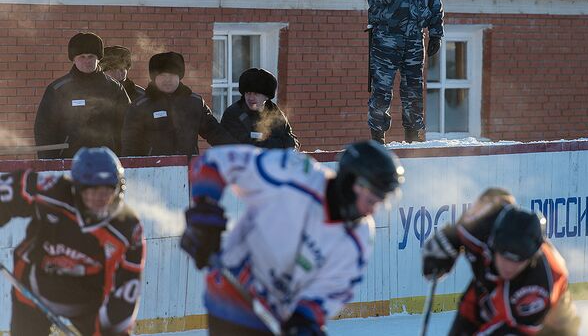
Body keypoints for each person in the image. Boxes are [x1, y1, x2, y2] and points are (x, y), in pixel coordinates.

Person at [180, 140, 404, 335]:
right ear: (352, 183)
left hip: (277, 319)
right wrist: (204, 218)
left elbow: (331, 290)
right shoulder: (293, 174)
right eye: (372, 200)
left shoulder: (359, 237)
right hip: (230, 299)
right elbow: (214, 162)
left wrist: (304, 321)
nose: (372, 211)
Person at [0, 147, 145, 336]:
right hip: (35, 286)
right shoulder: (53, 191)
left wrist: (111, 329)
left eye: (106, 189)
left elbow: (126, 291)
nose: (99, 198)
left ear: (118, 188)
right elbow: (9, 191)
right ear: (76, 187)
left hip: (89, 300)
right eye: (91, 190)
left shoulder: (128, 229)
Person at [422, 188, 580, 336]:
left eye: (518, 260)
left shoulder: (542, 283)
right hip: (485, 294)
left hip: (549, 323)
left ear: (533, 256)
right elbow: (496, 195)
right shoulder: (479, 228)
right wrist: (446, 243)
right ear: (492, 243)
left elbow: (512, 330)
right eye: (504, 256)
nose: (509, 267)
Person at [359, 0, 444, 144]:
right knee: (382, 90)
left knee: (414, 90)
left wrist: (436, 31)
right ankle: (378, 139)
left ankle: (413, 137)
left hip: (415, 37)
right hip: (387, 36)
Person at [34, 32, 131, 158]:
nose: (87, 61)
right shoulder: (58, 89)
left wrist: (123, 157)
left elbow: (129, 125)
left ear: (98, 58)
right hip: (69, 161)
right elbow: (44, 129)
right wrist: (48, 163)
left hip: (107, 161)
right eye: (81, 57)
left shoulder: (114, 88)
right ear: (73, 59)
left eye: (91, 56)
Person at [121, 51, 236, 156]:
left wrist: (238, 151)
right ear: (154, 78)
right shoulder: (140, 106)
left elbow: (215, 132)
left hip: (188, 170)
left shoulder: (195, 103)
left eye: (172, 75)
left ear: (179, 76)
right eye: (162, 76)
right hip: (153, 172)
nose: (167, 80)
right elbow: (130, 144)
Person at [220, 68, 300, 150]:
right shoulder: (234, 113)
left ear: (266, 96)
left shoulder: (275, 113)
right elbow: (244, 145)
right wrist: (279, 144)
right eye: (248, 93)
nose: (251, 98)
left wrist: (285, 144)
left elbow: (292, 142)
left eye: (256, 94)